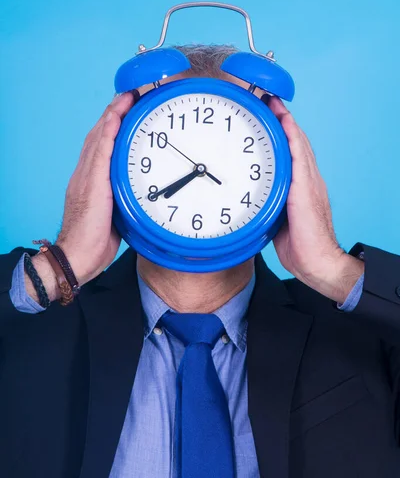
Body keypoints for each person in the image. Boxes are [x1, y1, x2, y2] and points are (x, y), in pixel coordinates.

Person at [1, 44, 399, 478]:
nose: (202, 170)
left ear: (285, 170)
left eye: (240, 147)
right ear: (110, 164)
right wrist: (58, 267)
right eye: (169, 137)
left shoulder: (362, 339)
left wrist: (334, 269)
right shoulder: (32, 330)